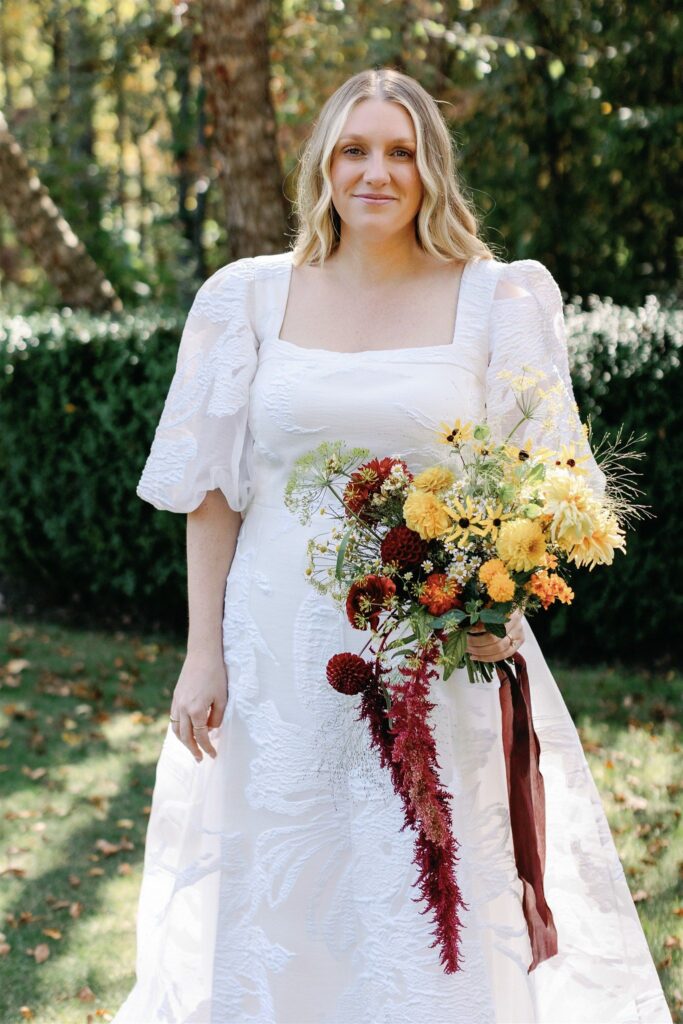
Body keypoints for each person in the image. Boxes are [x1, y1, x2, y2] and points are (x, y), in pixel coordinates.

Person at [112, 68, 672, 1024]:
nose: (377, 172)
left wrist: (507, 603)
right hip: (275, 648)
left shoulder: (496, 298)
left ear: (432, 169)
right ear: (322, 166)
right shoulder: (244, 298)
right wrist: (202, 652)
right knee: (285, 878)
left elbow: (551, 485)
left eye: (401, 151)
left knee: (429, 886)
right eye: (355, 150)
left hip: (439, 649)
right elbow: (211, 492)